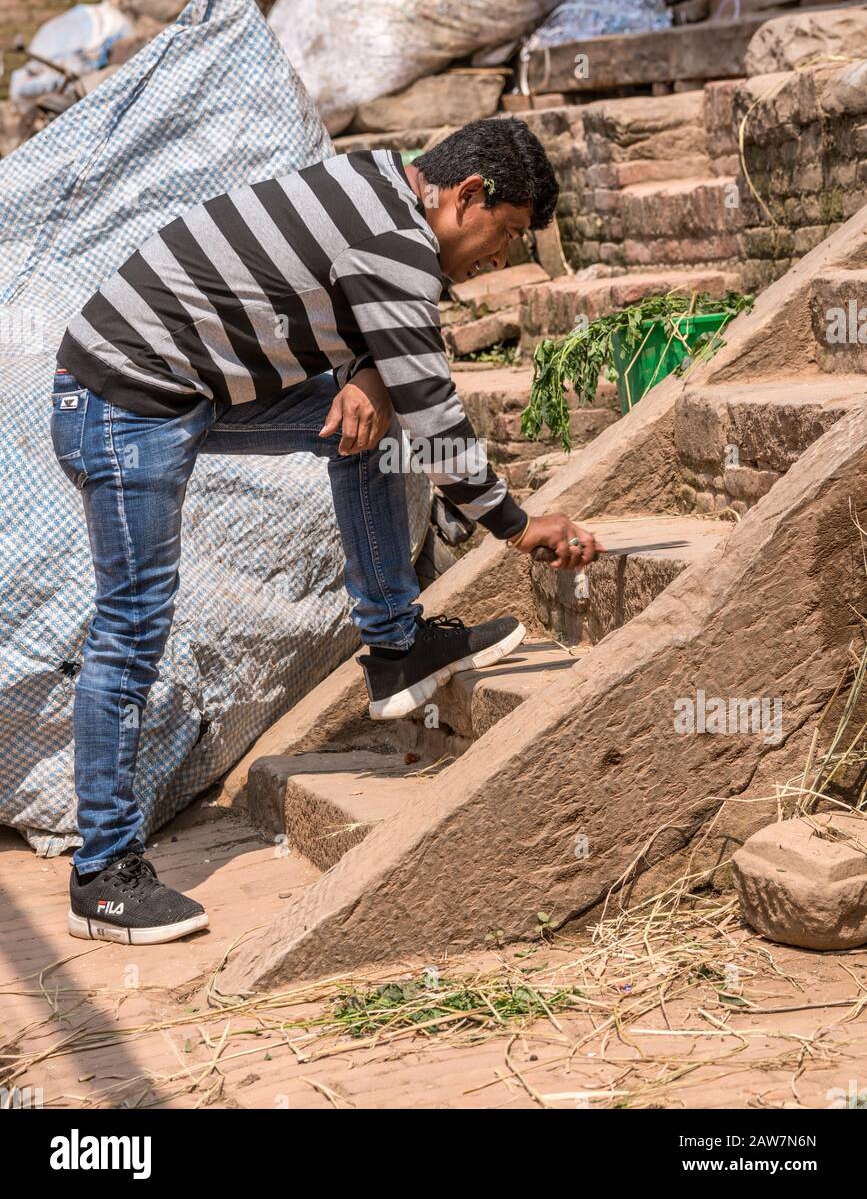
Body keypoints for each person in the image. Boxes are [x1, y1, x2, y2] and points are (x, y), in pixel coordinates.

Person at [51, 116, 598, 945]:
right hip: (122, 403)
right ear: (467, 196)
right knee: (131, 628)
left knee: (370, 425)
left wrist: (366, 374)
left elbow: (345, 305)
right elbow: (440, 419)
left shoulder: (382, 186)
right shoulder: (395, 243)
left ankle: (395, 647)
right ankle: (103, 873)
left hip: (185, 385)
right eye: (507, 235)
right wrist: (521, 528)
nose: (498, 259)